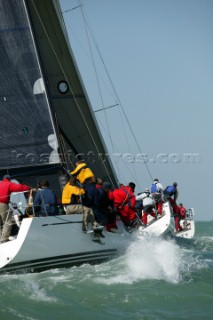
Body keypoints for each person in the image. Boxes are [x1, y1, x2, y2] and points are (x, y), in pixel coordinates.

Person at [0, 175, 31, 242]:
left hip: (2, 204)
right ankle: (4, 239)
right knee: (8, 221)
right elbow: (19, 187)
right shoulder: (8, 183)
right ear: (9, 179)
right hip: (2, 204)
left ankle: (1, 238)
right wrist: (28, 188)